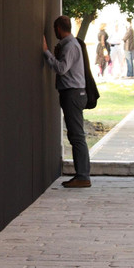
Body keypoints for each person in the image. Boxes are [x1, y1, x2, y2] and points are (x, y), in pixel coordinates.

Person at [42, 16, 91, 188]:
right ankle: (82, 175)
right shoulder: (69, 45)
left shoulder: (70, 46)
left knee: (77, 135)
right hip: (73, 93)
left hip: (73, 94)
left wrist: (46, 52)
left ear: (58, 28)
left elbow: (62, 69)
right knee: (75, 134)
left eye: (55, 29)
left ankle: (83, 176)